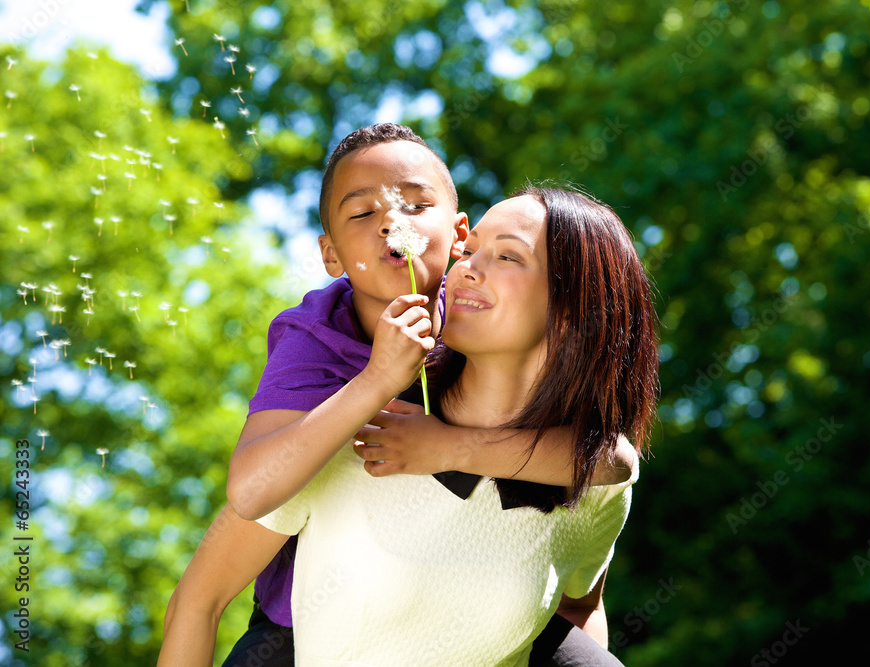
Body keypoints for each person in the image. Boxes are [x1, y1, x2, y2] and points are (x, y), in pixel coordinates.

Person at [159, 124, 635, 666]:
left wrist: (449, 448)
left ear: (455, 234)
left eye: (414, 204)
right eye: (362, 213)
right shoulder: (320, 349)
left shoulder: (459, 313)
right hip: (291, 621)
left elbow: (610, 461)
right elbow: (249, 496)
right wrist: (377, 381)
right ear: (331, 255)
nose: (391, 220)